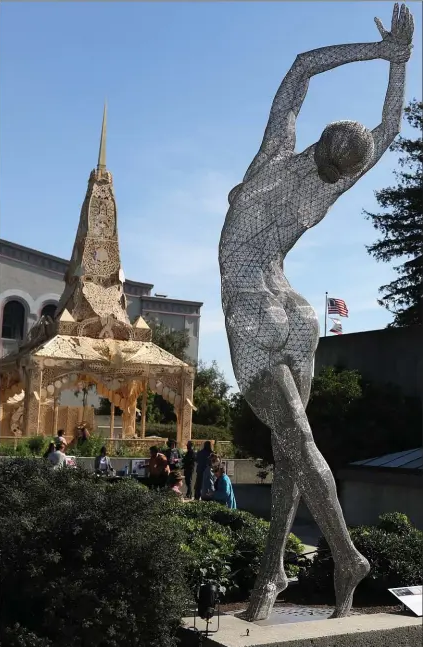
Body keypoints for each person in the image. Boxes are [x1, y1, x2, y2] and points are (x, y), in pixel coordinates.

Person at [218, 4, 413, 622]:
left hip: (256, 303)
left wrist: (387, 55)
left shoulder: (281, 156)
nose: (334, 171)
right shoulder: (328, 177)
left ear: (329, 146)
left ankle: (346, 555)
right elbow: (389, 127)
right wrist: (398, 63)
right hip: (291, 309)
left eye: (338, 167)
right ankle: (272, 576)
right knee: (292, 444)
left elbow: (303, 69)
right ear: (334, 151)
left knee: (296, 441)